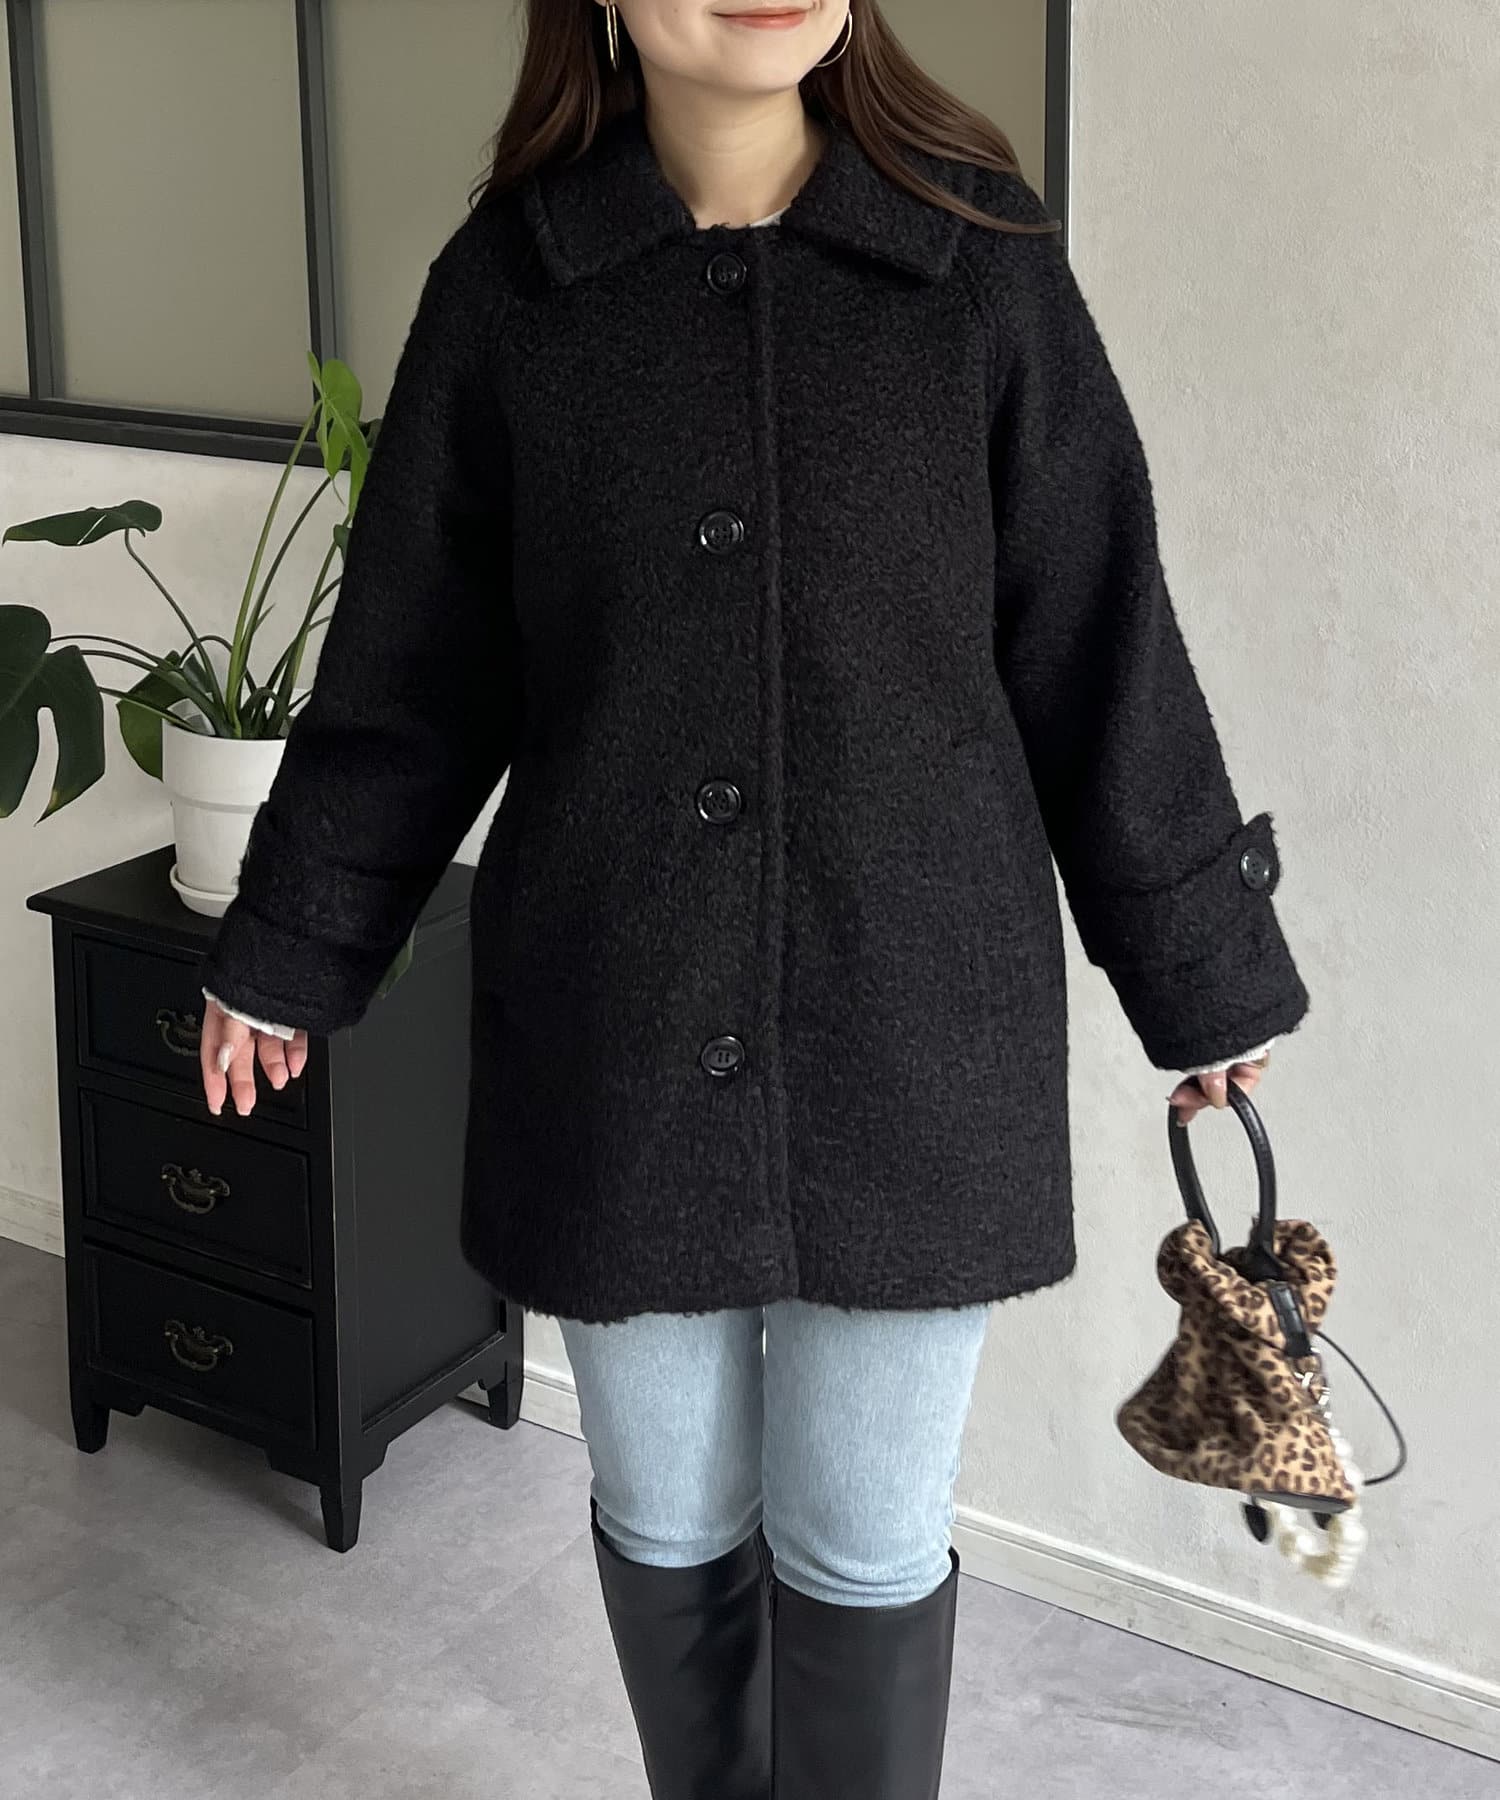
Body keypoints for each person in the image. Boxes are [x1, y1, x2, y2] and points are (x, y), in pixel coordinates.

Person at [197, 2, 1309, 1793]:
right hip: (616, 1037)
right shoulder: (514, 289)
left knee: (864, 1544)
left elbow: (1102, 642)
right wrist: (290, 949)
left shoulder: (976, 266)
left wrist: (1203, 972)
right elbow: (413, 674)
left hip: (915, 1039)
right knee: (666, 1521)